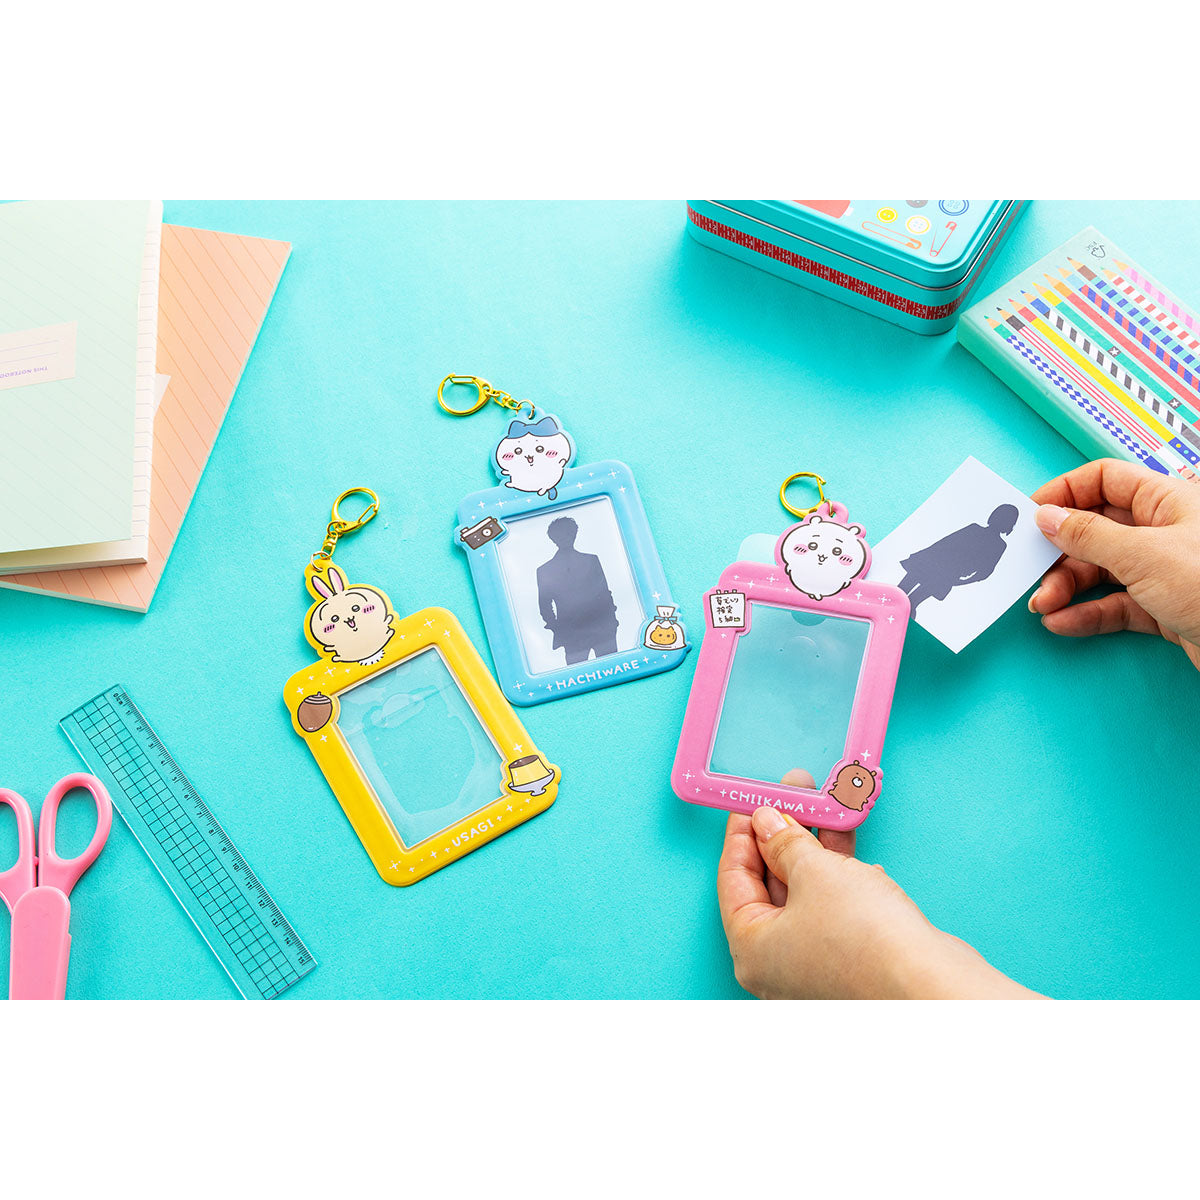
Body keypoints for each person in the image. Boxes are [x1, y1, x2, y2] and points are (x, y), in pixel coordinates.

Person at [717, 460, 1200, 998]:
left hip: (929, 579)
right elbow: (967, 566)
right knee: (896, 606)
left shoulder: (982, 542)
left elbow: (969, 569)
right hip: (927, 576)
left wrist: (879, 973)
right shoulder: (983, 539)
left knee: (897, 609)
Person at [896, 503, 1019, 612]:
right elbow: (946, 543)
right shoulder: (987, 538)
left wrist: (959, 582)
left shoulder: (990, 540)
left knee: (904, 598)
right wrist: (959, 582)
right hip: (937, 567)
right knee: (905, 598)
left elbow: (984, 572)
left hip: (938, 569)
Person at [536, 516, 619, 666]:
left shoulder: (592, 560)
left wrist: (611, 621)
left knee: (612, 667)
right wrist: (556, 627)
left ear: (574, 534)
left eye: (568, 533)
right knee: (579, 671)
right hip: (573, 633)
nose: (566, 537)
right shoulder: (545, 570)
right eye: (561, 534)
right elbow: (544, 605)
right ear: (554, 538)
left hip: (601, 628)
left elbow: (604, 593)